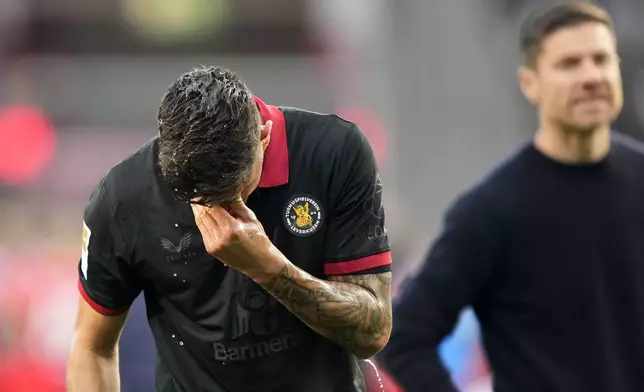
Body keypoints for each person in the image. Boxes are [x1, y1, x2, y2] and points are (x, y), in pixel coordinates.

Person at [66, 66, 393, 392]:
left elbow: (373, 333)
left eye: (235, 191)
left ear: (264, 139)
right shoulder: (122, 198)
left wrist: (267, 268)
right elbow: (92, 348)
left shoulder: (334, 152)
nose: (219, 210)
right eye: (199, 198)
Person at [379, 2, 644, 392]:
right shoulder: (493, 210)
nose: (590, 76)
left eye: (601, 59)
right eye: (569, 64)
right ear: (530, 83)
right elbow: (404, 335)